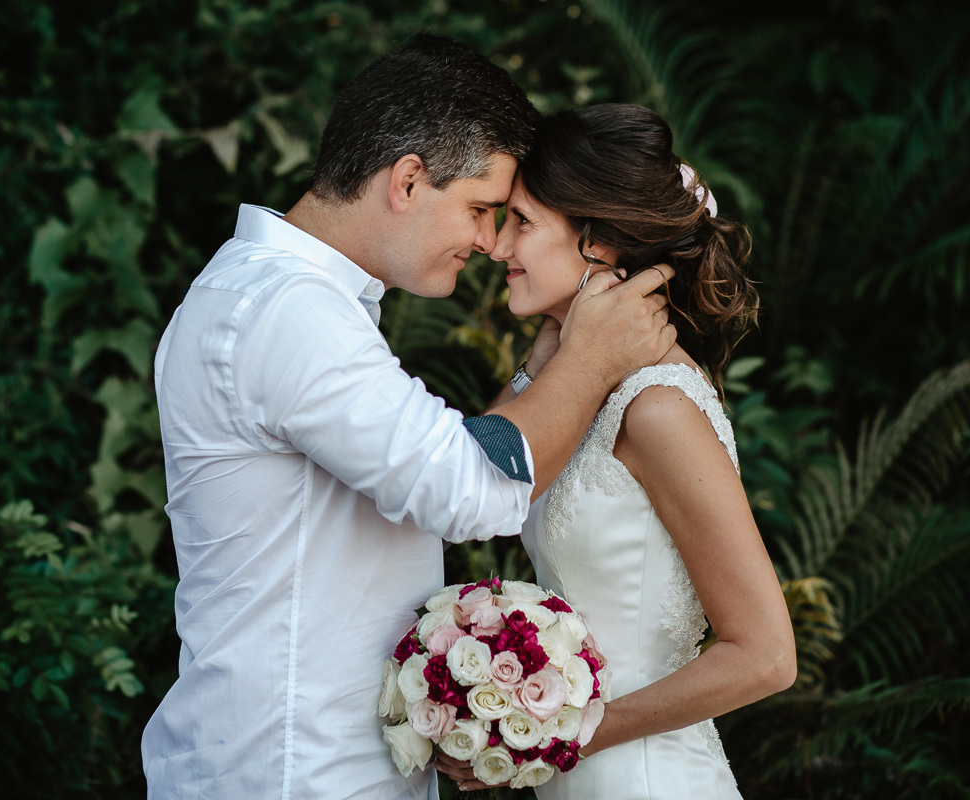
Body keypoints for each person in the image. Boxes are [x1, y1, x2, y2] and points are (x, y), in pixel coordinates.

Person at [141, 38, 676, 800]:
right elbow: (469, 491)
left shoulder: (280, 301)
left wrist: (554, 357)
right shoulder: (285, 312)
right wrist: (588, 362)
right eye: (481, 210)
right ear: (408, 180)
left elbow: (455, 456)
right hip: (289, 774)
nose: (491, 244)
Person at [440, 104, 797, 797]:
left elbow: (767, 656)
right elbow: (470, 479)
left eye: (522, 222)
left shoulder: (657, 408)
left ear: (598, 245)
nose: (497, 246)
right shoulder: (587, 392)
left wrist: (563, 733)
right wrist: (550, 358)